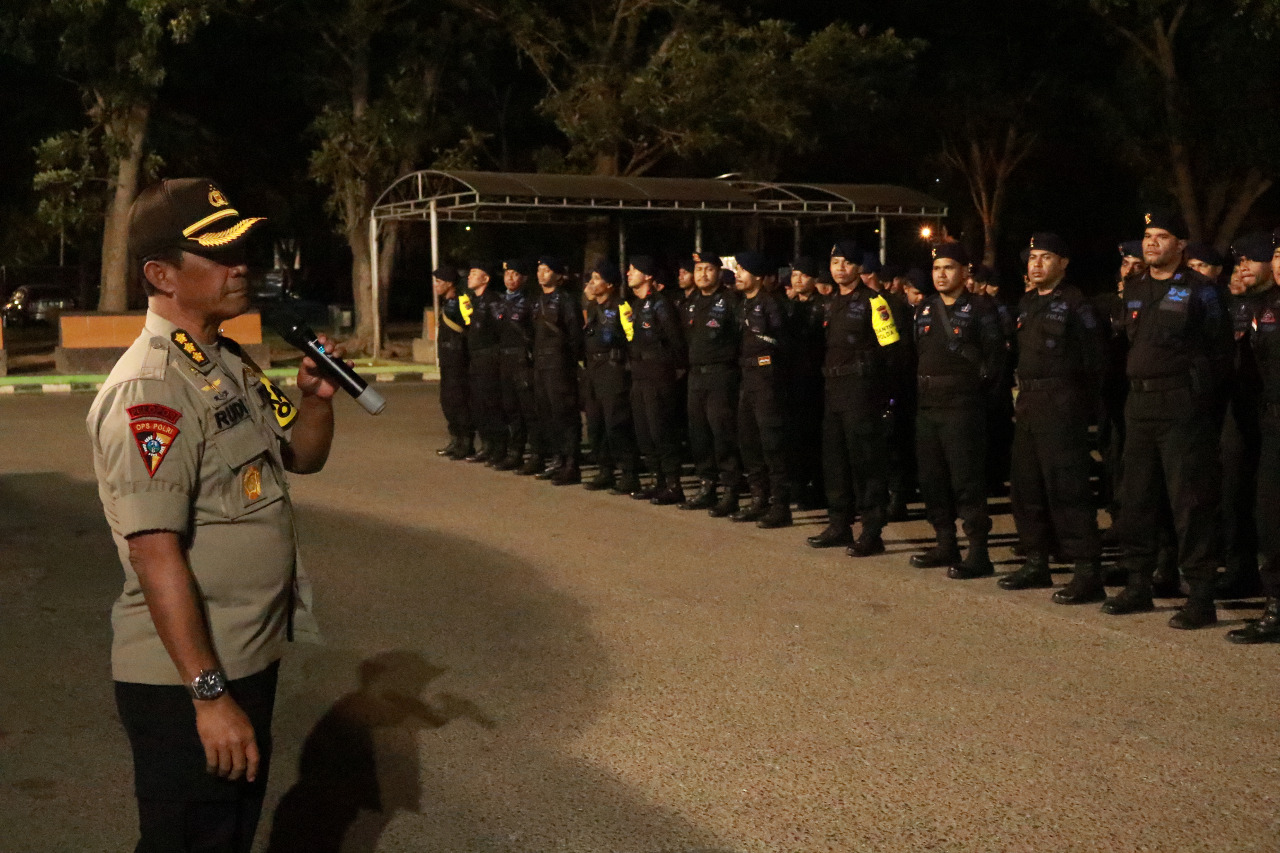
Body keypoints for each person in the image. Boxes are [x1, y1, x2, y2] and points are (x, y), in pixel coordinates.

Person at [88, 178, 339, 852]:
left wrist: (315, 399)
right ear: (161, 274)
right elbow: (155, 551)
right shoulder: (152, 389)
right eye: (220, 255)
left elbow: (300, 457)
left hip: (245, 658)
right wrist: (207, 694)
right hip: (188, 679)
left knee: (227, 835)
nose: (241, 267)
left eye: (243, 252)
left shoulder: (225, 361)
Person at [1105, 210, 1233, 629]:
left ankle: (1199, 595)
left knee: (1189, 502)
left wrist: (1201, 402)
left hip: (1181, 406)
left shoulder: (1201, 291)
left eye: (1162, 236)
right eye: (1147, 236)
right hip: (1139, 407)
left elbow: (1219, 352)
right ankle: (1138, 583)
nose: (1152, 243)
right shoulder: (1134, 288)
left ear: (1180, 245)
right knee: (1136, 497)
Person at [997, 233, 1107, 602]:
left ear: (1063, 263)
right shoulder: (1027, 302)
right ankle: (1035, 562)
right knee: (1026, 486)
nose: (1037, 264)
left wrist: (1081, 406)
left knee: (1068, 489)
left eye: (1045, 257)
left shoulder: (1077, 304)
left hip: (1062, 405)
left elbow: (1094, 361)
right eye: (1032, 258)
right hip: (1029, 402)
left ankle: (1087, 570)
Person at [909, 242, 1007, 578]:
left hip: (963, 408)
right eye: (936, 269)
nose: (941, 274)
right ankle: (945, 543)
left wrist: (982, 403)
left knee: (967, 482)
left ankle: (978, 552)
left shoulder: (981, 309)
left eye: (948, 268)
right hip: (928, 407)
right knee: (933, 480)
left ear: (966, 272)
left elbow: (995, 361)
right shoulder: (924, 309)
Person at [806, 241, 897, 554]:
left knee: (865, 463)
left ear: (859, 268)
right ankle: (839, 524)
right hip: (833, 392)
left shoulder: (875, 302)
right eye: (834, 263)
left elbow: (891, 352)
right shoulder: (828, 303)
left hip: (861, 393)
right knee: (835, 461)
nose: (839, 268)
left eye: (846, 263)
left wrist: (882, 395)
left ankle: (872, 531)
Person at [1217, 232, 1274, 599]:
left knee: (1268, 502)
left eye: (1253, 259)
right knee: (1235, 493)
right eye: (1240, 261)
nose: (1244, 267)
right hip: (1239, 415)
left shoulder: (1274, 304)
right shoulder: (1237, 305)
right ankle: (1240, 571)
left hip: (1269, 413)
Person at [1230, 230, 1280, 643]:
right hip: (1273, 422)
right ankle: (1276, 606)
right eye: (1278, 254)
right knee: (1269, 518)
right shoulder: (1266, 307)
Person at [732, 251, 792, 527]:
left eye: (742, 270)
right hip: (747, 377)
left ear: (756, 275)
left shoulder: (771, 304)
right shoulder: (743, 304)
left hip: (767, 378)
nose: (737, 275)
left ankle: (780, 506)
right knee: (749, 441)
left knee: (772, 444)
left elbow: (783, 343)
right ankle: (759, 499)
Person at [680, 251, 742, 515]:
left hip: (721, 374)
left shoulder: (730, 301)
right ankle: (707, 485)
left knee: (722, 433)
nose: (702, 274)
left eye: (708, 269)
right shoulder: (691, 302)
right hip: (696, 375)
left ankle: (730, 490)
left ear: (718, 272)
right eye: (698, 270)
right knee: (699, 433)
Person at [626, 255, 687, 504]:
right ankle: (657, 480)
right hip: (640, 374)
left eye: (633, 270)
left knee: (661, 429)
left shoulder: (661, 305)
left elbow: (675, 340)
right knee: (644, 431)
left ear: (648, 275)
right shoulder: (636, 305)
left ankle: (673, 484)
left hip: (658, 374)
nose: (629, 273)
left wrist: (673, 369)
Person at [580, 259, 640, 494]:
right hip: (594, 371)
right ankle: (605, 470)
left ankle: (629, 473)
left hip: (613, 370)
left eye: (596, 279)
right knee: (596, 424)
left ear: (610, 284)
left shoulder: (621, 307)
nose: (592, 283)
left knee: (617, 424)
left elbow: (632, 338)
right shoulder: (594, 307)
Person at [531, 255, 586, 485]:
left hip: (559, 365)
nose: (541, 273)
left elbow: (574, 334)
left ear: (557, 274)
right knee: (547, 414)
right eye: (539, 269)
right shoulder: (537, 300)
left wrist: (568, 361)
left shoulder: (566, 300)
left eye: (546, 269)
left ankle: (571, 465)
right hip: (541, 364)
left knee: (565, 414)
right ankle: (557, 459)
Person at [786, 255, 826, 510]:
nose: (798, 280)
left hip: (815, 380)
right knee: (794, 437)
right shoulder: (788, 306)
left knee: (815, 438)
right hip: (792, 379)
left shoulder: (823, 306)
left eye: (803, 275)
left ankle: (818, 488)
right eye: (795, 275)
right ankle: (798, 485)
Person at [495, 259, 541, 473]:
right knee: (510, 408)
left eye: (515, 274)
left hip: (523, 359)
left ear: (524, 278)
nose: (510, 278)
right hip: (505, 359)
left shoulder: (531, 301)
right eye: (507, 274)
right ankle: (515, 452)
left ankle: (537, 454)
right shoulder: (501, 301)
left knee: (528, 410)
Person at [461, 261, 506, 463]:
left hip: (489, 356)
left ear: (486, 278)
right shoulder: (472, 300)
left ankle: (499, 448)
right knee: (479, 405)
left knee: (492, 403)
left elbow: (500, 329)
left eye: (474, 273)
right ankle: (487, 445)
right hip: (476, 357)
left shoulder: (493, 300)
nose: (469, 277)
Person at [432, 265, 473, 460]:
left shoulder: (461, 302)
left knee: (459, 402)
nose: (436, 286)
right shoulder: (447, 303)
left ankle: (465, 443)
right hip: (448, 360)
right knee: (447, 402)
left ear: (449, 284)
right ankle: (455, 439)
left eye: (439, 282)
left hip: (459, 360)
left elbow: (470, 327)